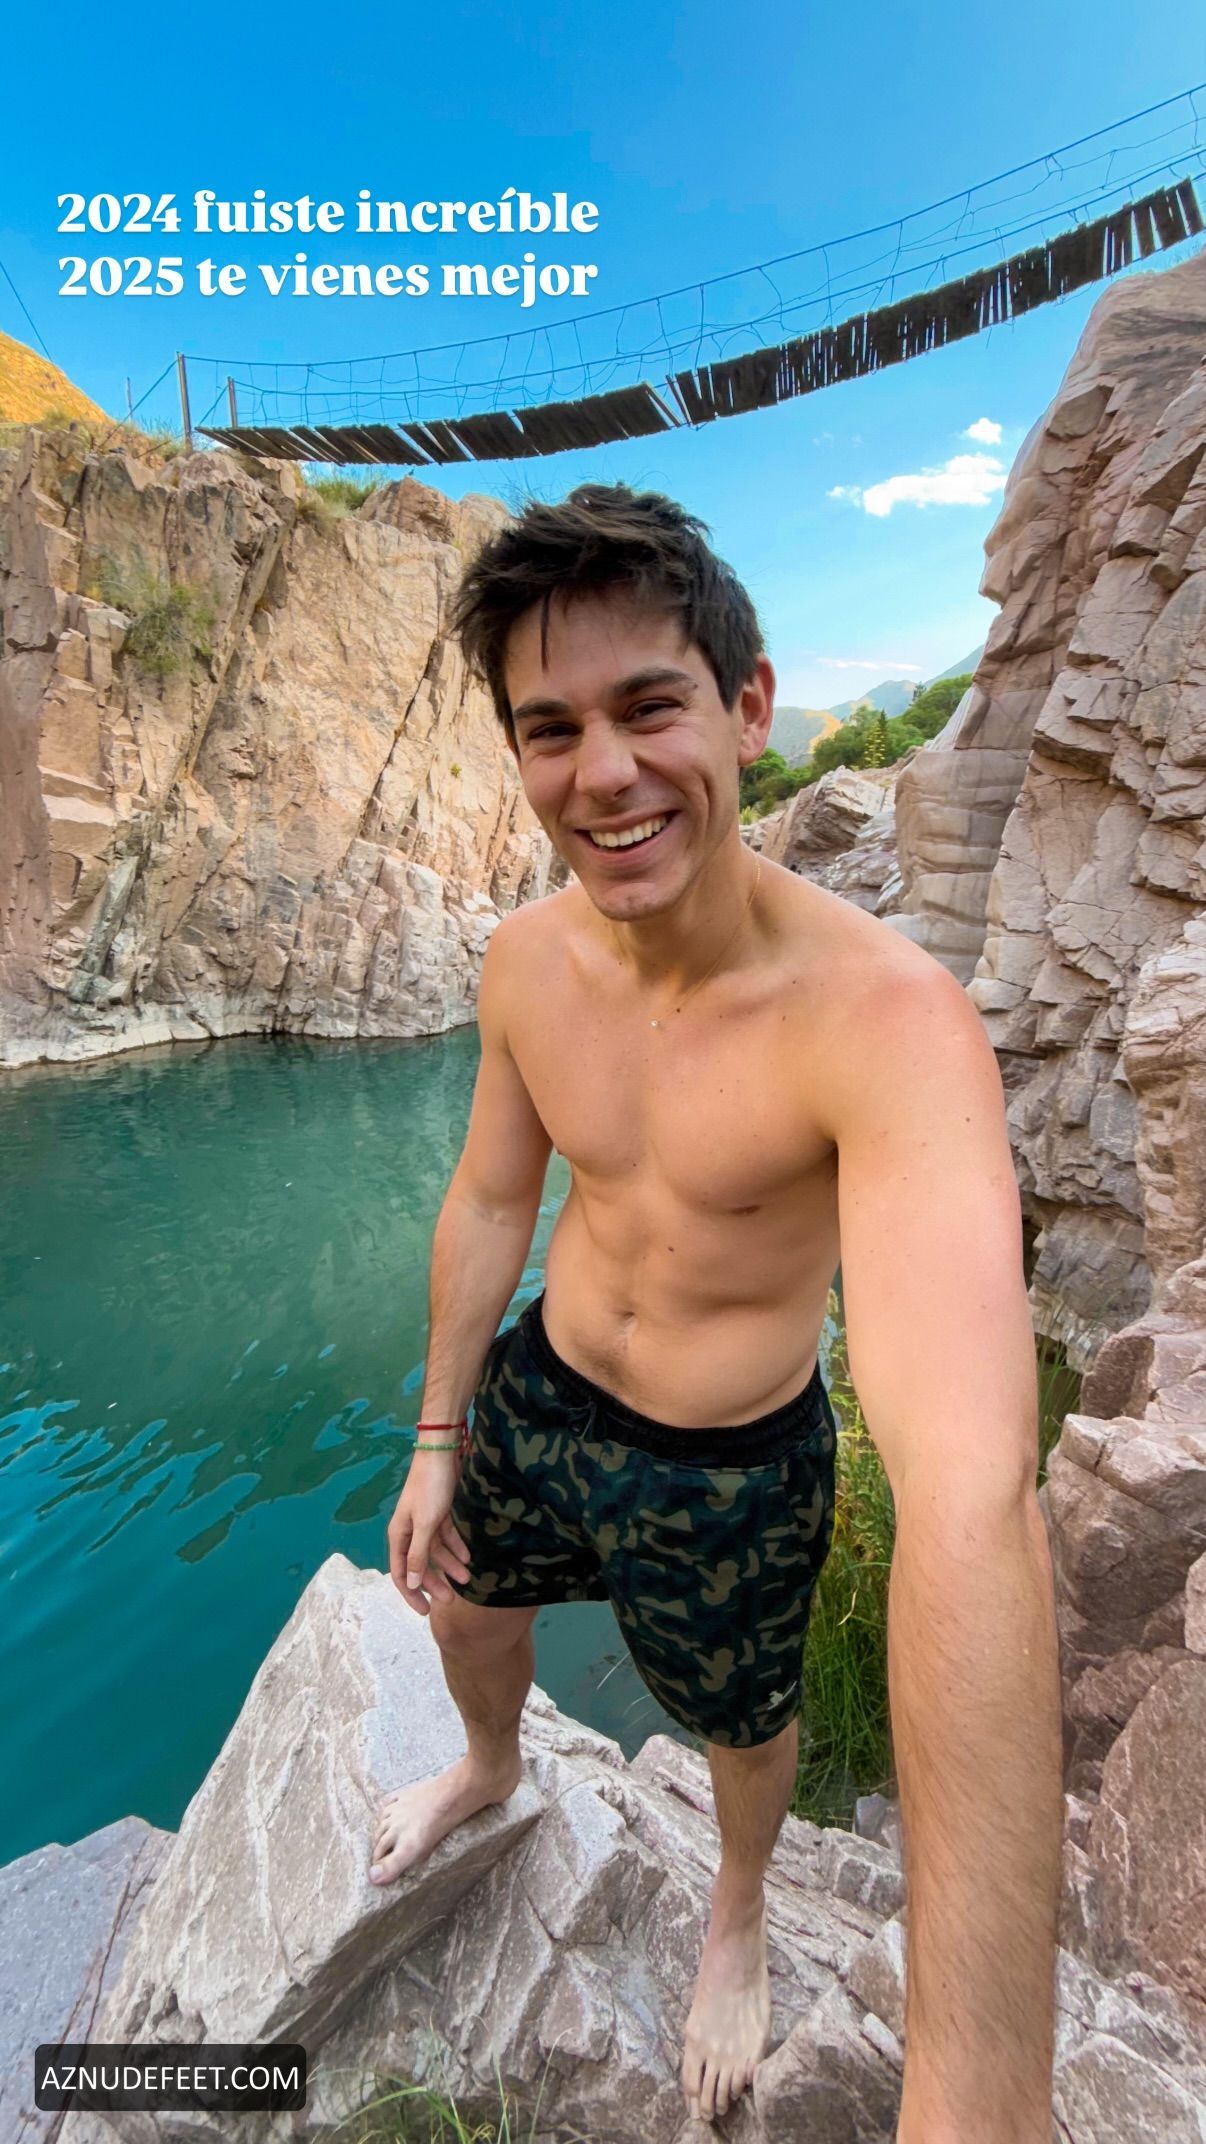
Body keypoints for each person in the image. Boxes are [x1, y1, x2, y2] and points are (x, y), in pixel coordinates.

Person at [373, 483, 1062, 2138]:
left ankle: (738, 1913)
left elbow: (969, 1499)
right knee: (461, 1610)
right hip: (546, 1389)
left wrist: (972, 2096)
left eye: (647, 706)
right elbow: (490, 1200)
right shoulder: (525, 961)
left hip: (732, 1460)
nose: (601, 773)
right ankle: (491, 1767)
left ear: (747, 709)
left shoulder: (885, 1025)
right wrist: (437, 1434)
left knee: (742, 1727)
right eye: (550, 730)